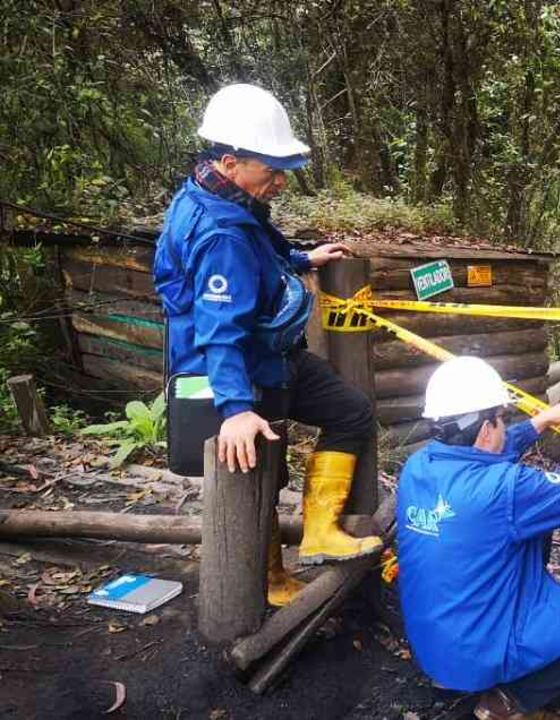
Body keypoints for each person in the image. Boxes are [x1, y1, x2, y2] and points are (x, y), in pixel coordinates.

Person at [153, 83, 382, 608]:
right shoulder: (221, 236)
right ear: (232, 161)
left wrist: (302, 259)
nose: (280, 181)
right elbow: (218, 329)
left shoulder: (216, 194)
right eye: (271, 170)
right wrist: (234, 408)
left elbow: (263, 241)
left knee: (350, 411)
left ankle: (321, 530)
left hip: (275, 356)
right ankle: (269, 579)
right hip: (244, 371)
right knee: (260, 474)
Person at [397, 356, 560, 720]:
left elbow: (483, 454)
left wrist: (542, 421)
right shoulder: (506, 489)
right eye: (502, 420)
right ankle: (511, 700)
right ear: (486, 428)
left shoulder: (418, 466)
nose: (504, 427)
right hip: (481, 651)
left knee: (532, 532)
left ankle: (475, 675)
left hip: (436, 647)